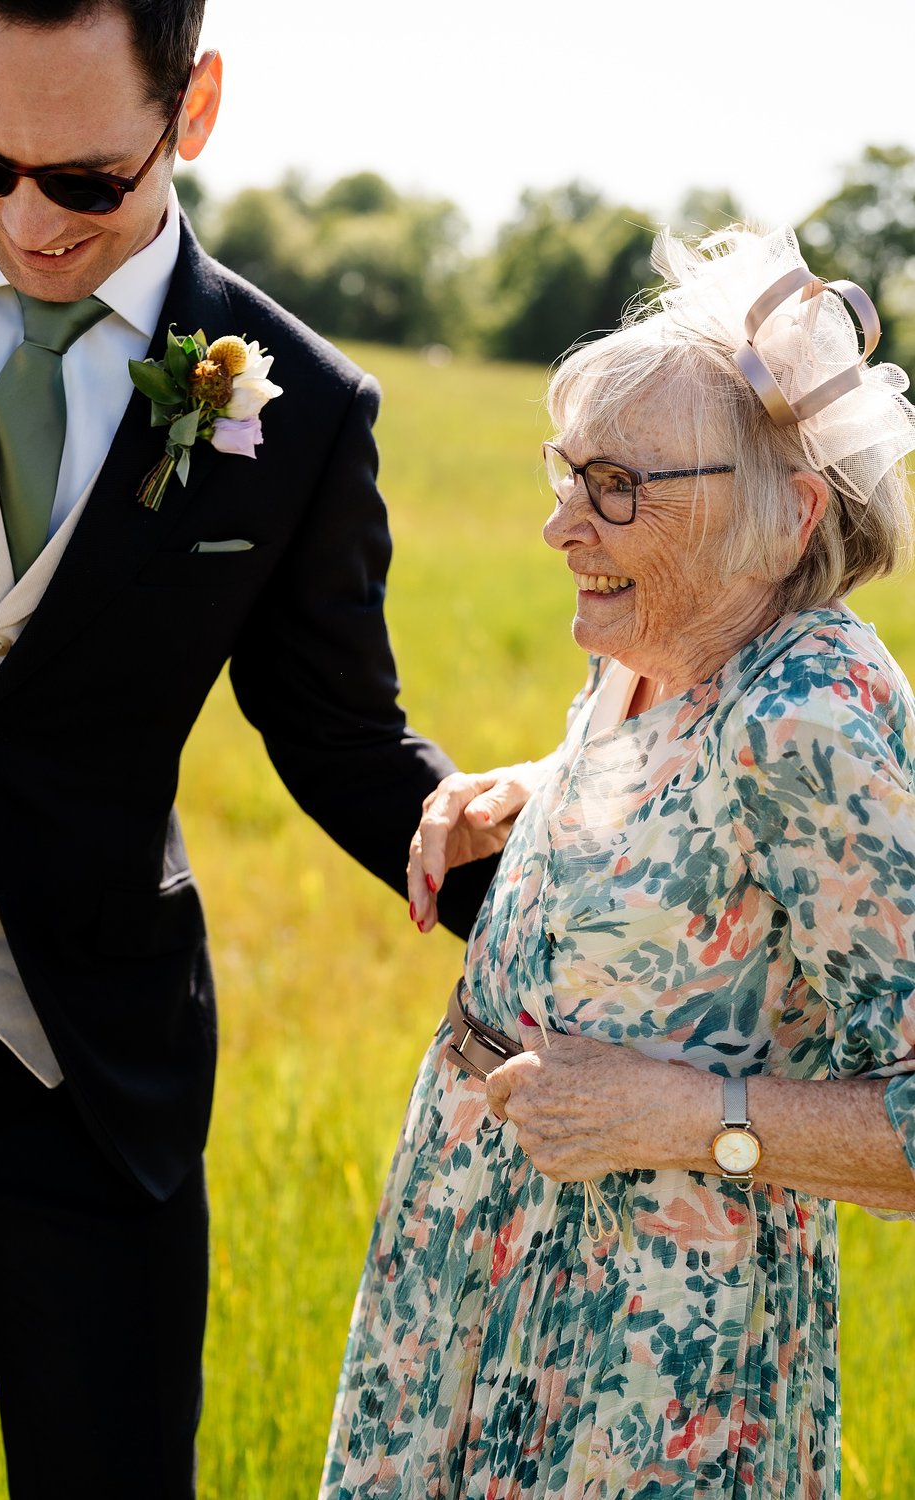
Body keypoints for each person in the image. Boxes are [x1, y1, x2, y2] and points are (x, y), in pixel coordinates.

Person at [0, 2, 494, 1495]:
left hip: (91, 1060)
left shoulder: (296, 411)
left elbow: (340, 736)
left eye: (86, 181)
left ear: (196, 108)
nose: (28, 222)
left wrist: (554, 886)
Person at [323, 225, 915, 1498]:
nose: (556, 527)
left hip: (644, 1360)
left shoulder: (810, 709)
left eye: (614, 489)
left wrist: (689, 1117)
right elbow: (695, 798)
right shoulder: (656, 637)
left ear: (783, 520)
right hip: (470, 1248)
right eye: (564, 473)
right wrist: (528, 796)